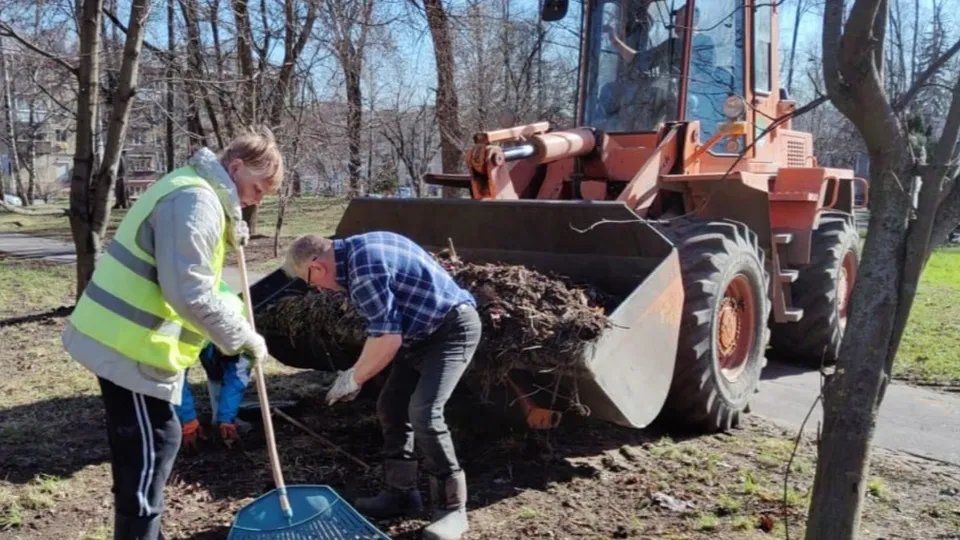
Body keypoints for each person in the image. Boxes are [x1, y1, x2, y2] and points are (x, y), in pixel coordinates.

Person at [61, 126, 283, 540]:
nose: (257, 199)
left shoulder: (195, 191)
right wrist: (241, 338)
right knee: (155, 447)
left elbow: (200, 280)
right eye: (257, 188)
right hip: (128, 347)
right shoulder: (195, 200)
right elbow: (189, 293)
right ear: (236, 168)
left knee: (143, 454)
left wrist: (235, 311)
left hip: (129, 342)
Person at [282, 231, 481, 540]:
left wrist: (354, 378)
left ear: (317, 266)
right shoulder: (362, 248)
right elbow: (384, 329)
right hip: (419, 335)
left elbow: (387, 338)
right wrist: (358, 371)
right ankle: (401, 493)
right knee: (391, 406)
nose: (317, 289)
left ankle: (452, 508)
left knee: (425, 412)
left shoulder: (363, 270)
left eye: (310, 281)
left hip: (451, 330)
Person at [176, 344, 254, 451]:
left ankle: (221, 420)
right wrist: (188, 419)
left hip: (227, 344)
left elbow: (237, 378)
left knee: (220, 368)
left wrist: (227, 418)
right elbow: (174, 379)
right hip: (164, 351)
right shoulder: (179, 343)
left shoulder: (246, 345)